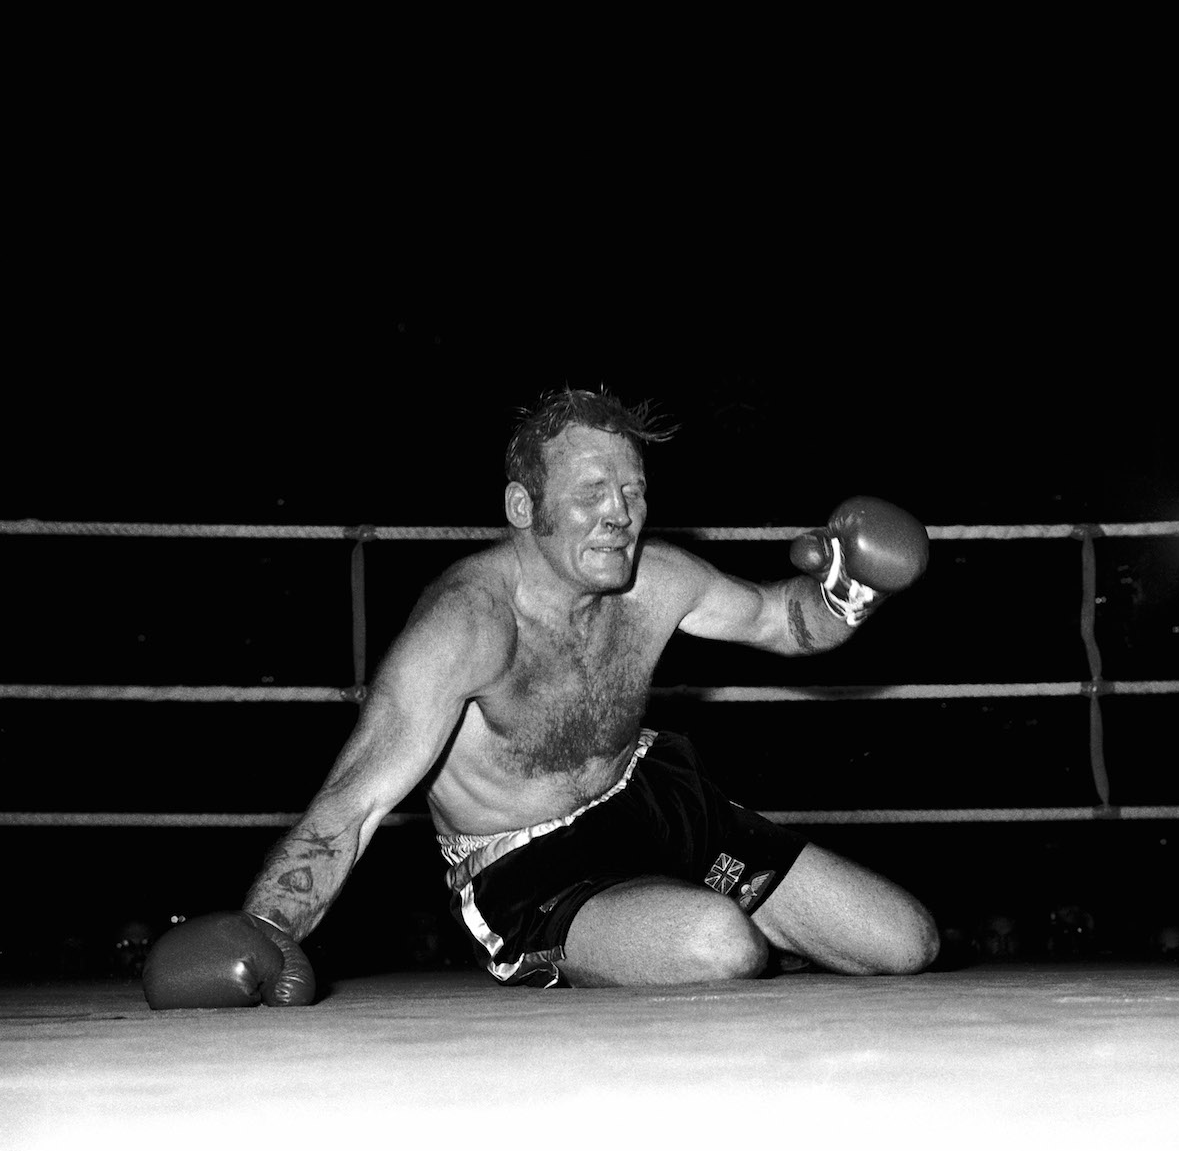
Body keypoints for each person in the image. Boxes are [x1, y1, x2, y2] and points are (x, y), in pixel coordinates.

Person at [142, 387, 939, 1007]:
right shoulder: (467, 623)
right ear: (524, 509)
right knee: (716, 948)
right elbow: (352, 803)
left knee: (907, 943)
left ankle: (709, 920)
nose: (620, 515)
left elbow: (783, 621)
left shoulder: (657, 581)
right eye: (592, 492)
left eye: (633, 490)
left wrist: (848, 589)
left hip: (657, 798)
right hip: (531, 866)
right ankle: (671, 932)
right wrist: (269, 927)